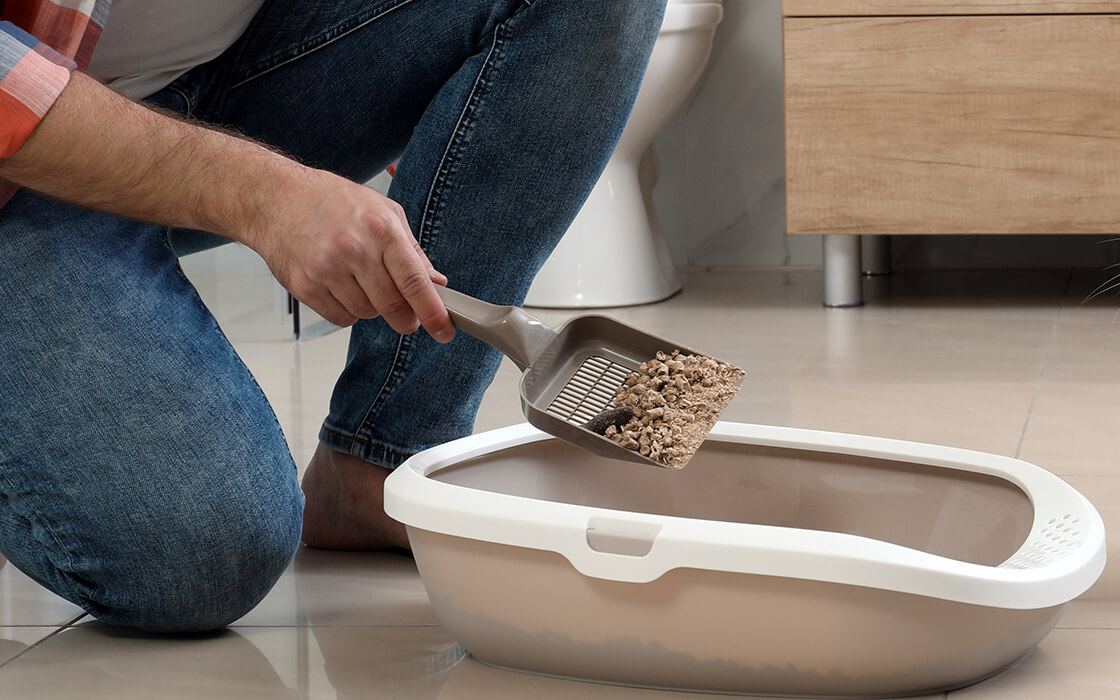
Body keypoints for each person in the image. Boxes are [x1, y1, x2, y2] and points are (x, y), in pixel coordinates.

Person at [0, 0, 667, 633]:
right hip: (22, 157)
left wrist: (477, 124)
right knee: (203, 556)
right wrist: (262, 194)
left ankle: (380, 463)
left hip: (217, 72)